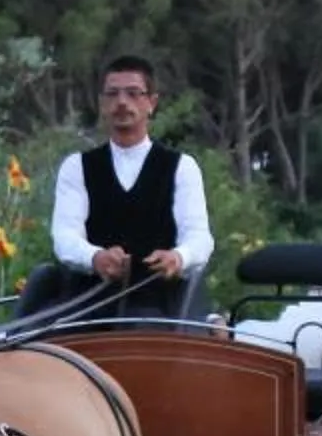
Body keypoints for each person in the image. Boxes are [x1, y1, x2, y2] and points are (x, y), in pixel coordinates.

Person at [48, 53, 214, 320]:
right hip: (87, 308)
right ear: (102, 104)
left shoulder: (183, 167)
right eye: (112, 94)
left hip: (159, 310)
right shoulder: (76, 167)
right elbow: (64, 236)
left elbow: (199, 238)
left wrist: (178, 257)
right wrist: (95, 257)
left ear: (152, 103)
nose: (122, 102)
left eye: (133, 93)